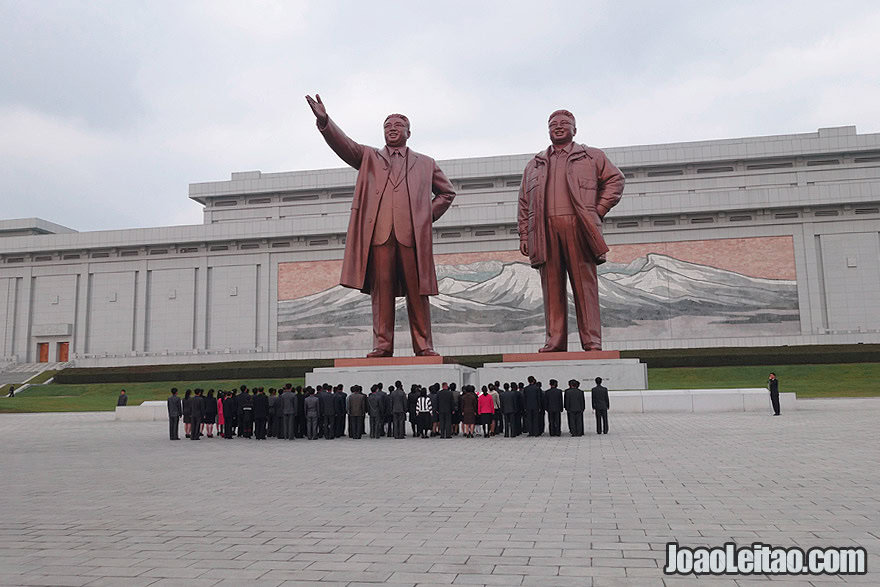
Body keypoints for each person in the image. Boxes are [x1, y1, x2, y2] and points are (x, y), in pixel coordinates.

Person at [305, 94, 456, 357]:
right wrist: (326, 122)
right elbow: (345, 146)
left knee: (417, 293)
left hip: (412, 238)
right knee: (381, 292)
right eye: (388, 127)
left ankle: (424, 346)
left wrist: (424, 217)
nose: (392, 130)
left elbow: (447, 193)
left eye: (398, 126)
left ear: (409, 132)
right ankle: (382, 346)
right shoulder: (369, 157)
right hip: (379, 236)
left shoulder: (426, 163)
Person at [518, 109, 625, 352]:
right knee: (551, 288)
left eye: (564, 123)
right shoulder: (534, 165)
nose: (558, 127)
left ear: (575, 130)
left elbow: (615, 180)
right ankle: (555, 341)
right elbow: (524, 202)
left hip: (580, 229)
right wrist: (524, 234)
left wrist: (597, 209)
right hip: (545, 232)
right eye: (552, 124)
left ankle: (592, 341)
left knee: (584, 287)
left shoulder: (592, 156)